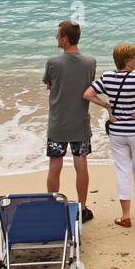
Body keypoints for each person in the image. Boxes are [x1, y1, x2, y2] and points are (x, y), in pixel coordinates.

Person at [85, 43, 135, 227]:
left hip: (117, 130)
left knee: (122, 171)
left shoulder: (107, 77)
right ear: (128, 60)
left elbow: (88, 94)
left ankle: (125, 216)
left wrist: (107, 106)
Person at [44, 20, 97, 222]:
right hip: (80, 123)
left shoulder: (53, 63)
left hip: (58, 123)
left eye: (58, 36)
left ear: (65, 39)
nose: (56, 38)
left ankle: (52, 206)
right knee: (81, 164)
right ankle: (82, 208)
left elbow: (49, 85)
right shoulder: (90, 62)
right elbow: (89, 85)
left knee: (55, 165)